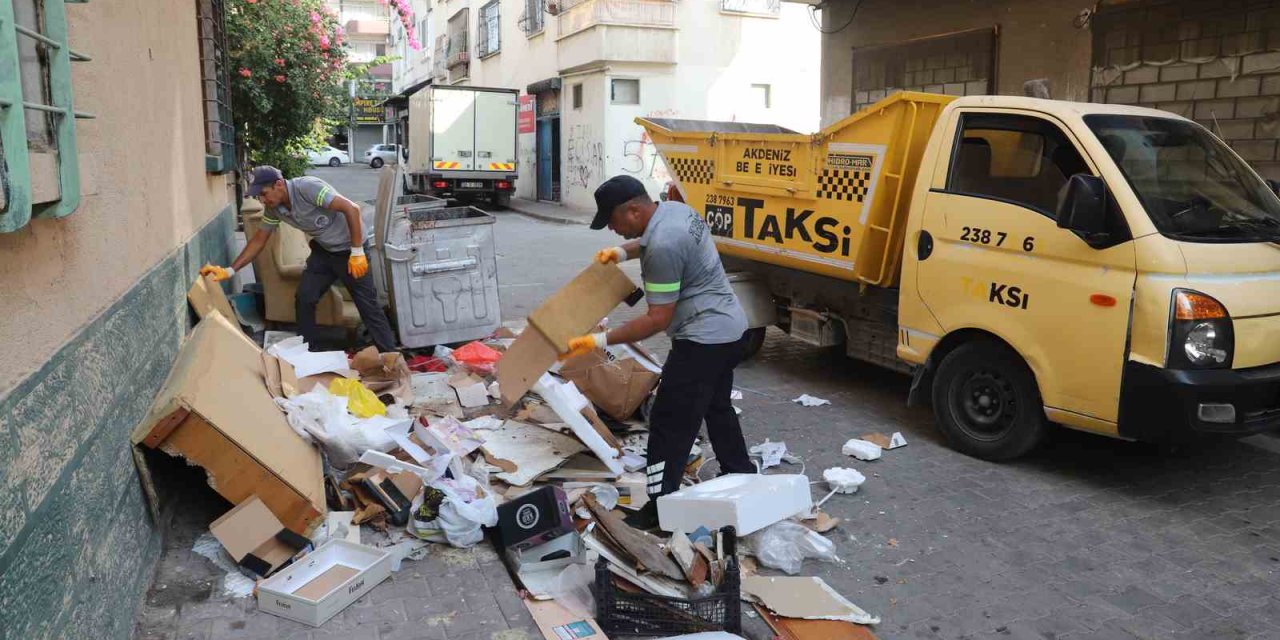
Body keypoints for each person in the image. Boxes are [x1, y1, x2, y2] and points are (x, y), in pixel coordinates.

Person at [564, 174, 754, 529]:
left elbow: (655, 319)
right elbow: (651, 241)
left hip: (702, 340)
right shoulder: (675, 212)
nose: (614, 230)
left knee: (669, 423)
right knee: (717, 406)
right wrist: (622, 252)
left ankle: (660, 507)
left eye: (614, 223)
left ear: (633, 210)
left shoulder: (664, 246)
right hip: (730, 329)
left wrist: (600, 341)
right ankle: (741, 472)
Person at [200, 166, 397, 353]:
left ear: (278, 184)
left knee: (367, 305)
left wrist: (357, 252)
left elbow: (351, 209)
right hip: (324, 251)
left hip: (351, 250)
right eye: (258, 196)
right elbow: (259, 240)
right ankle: (308, 352)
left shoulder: (308, 188)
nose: (262, 200)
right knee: (304, 297)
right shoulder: (274, 208)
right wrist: (230, 270)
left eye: (264, 193)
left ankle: (390, 356)